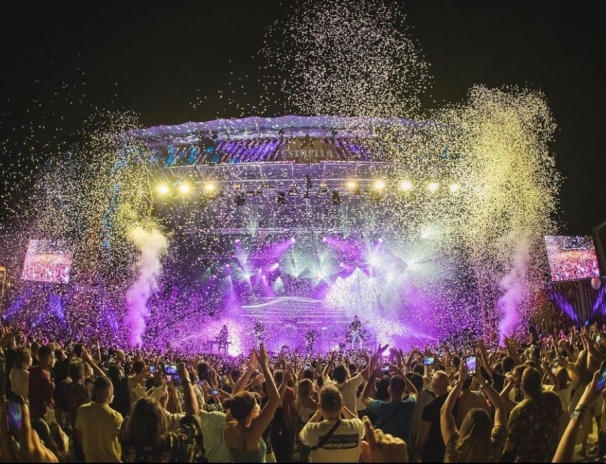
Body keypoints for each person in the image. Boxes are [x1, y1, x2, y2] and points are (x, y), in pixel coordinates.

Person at [440, 359, 507, 462]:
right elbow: (500, 406)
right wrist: (481, 380)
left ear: (465, 425)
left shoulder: (455, 448)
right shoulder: (494, 447)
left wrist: (460, 382)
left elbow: (444, 412)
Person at [224, 344, 281, 463]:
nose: (259, 407)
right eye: (256, 405)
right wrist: (265, 367)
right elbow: (275, 399)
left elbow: (235, 396)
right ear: (251, 411)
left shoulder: (230, 426)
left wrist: (250, 370)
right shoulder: (252, 433)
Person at [503, 366, 563, 462]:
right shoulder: (554, 398)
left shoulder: (519, 411)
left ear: (522, 385)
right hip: (550, 456)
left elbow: (509, 446)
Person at [299, 384, 365, 462]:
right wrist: (342, 407)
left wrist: (318, 412)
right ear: (342, 405)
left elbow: (302, 434)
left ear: (319, 406)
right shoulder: (356, 427)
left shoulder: (313, 431)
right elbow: (356, 420)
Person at [75, 376, 124, 462]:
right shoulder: (115, 416)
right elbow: (123, 440)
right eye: (112, 391)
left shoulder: (82, 410)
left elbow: (79, 435)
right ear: (108, 393)